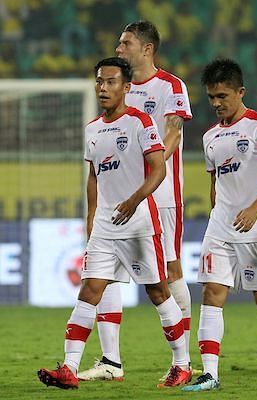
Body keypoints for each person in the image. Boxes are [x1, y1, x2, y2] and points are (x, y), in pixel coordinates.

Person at [38, 57, 189, 389]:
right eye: (99, 82)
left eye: (110, 82)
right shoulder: (92, 128)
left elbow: (159, 169)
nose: (103, 88)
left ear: (126, 87)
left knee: (158, 291)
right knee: (89, 290)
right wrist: (92, 215)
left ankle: (182, 363)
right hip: (106, 225)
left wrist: (135, 200)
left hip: (140, 224)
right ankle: (69, 367)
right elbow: (93, 177)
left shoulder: (141, 122)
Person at [78, 21, 193, 383]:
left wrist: (146, 169)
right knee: (106, 275)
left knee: (169, 275)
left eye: (125, 42)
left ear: (147, 48)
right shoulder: (118, 92)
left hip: (161, 196)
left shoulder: (170, 86)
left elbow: (173, 132)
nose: (119, 46)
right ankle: (110, 361)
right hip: (119, 202)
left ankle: (185, 358)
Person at [182, 58, 257, 392]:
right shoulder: (209, 137)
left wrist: (254, 208)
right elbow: (215, 183)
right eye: (211, 97)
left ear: (240, 92)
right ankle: (210, 374)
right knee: (212, 292)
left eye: (222, 96)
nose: (217, 103)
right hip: (221, 226)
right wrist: (217, 215)